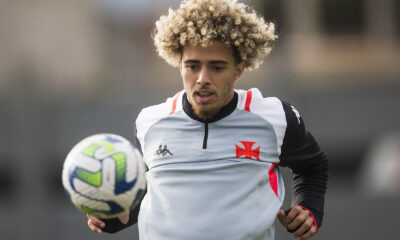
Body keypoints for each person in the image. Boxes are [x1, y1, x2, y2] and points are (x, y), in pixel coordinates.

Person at [87, 0, 329, 239]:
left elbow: (313, 166)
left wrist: (308, 208)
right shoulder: (150, 123)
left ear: (239, 69)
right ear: (179, 64)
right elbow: (153, 195)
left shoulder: (274, 118)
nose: (202, 78)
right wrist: (113, 217)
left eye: (217, 67)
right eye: (193, 66)